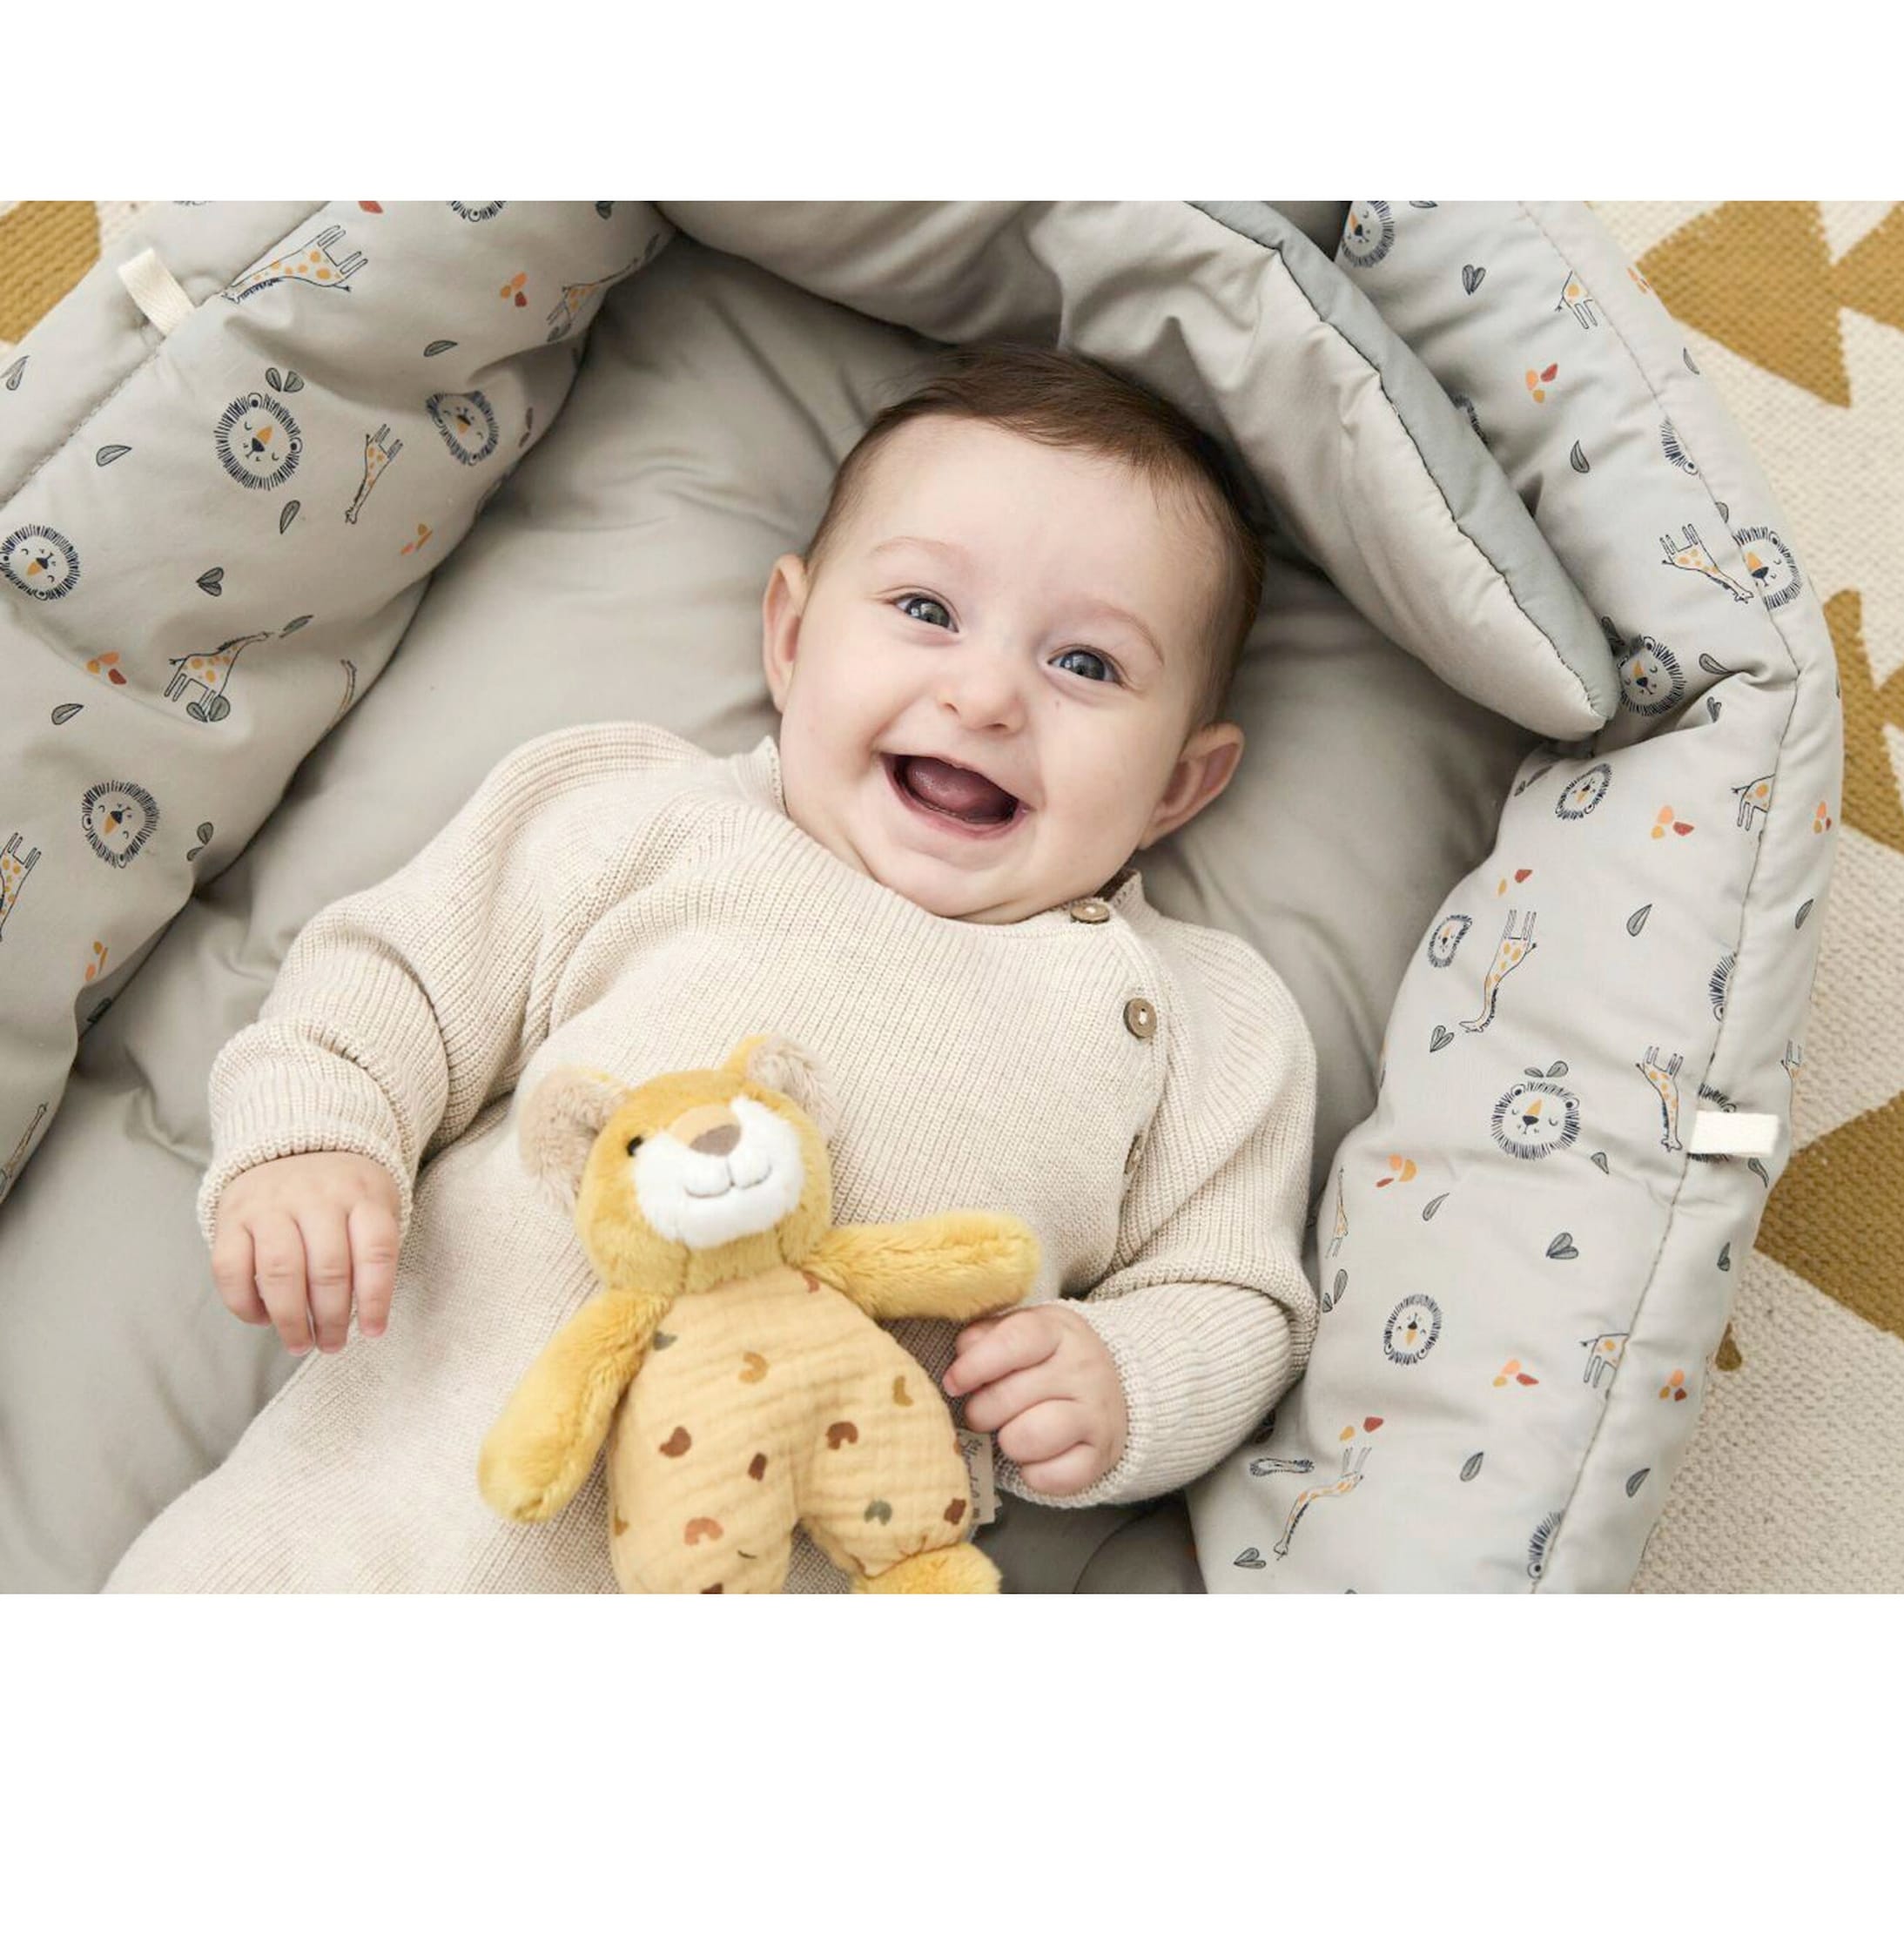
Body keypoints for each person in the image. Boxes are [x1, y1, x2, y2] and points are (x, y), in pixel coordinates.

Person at [106, 343, 1318, 1594]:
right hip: (341, 1534)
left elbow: (1236, 1295)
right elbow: (393, 980)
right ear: (791, 636)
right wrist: (314, 1139)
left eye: (1087, 665)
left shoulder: (1198, 1020)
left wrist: (1126, 1380)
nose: (986, 696)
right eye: (925, 610)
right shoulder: (642, 817)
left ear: (1179, 785)